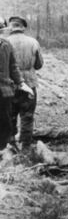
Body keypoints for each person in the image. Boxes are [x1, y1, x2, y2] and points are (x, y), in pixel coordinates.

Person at [7, 16, 43, 151]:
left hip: (9, 85)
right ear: (23, 27)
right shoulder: (33, 42)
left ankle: (11, 145)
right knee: (27, 116)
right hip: (30, 83)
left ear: (11, 27)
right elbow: (39, 65)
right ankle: (26, 147)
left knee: (10, 115)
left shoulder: (4, 42)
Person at [0, 17, 33, 150]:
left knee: (5, 123)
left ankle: (3, 152)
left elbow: (13, 66)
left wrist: (22, 83)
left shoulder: (6, 45)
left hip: (5, 91)